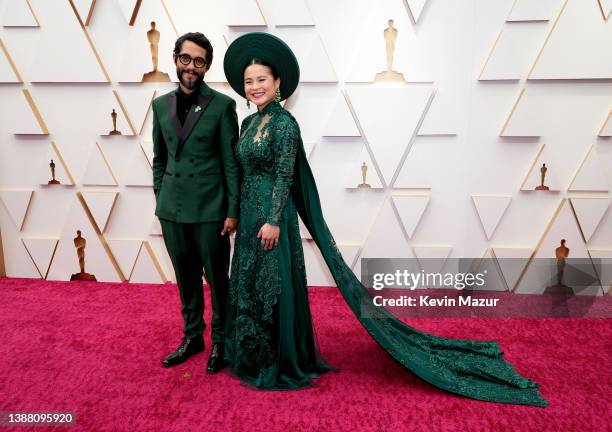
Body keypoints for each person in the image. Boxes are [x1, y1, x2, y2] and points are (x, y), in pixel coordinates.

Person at [222, 32, 547, 406]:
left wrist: (274, 218)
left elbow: (284, 173)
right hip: (248, 217)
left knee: (271, 286)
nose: (255, 86)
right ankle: (252, 354)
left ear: (278, 83)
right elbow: (242, 171)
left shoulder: (285, 124)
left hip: (270, 219)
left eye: (262, 79)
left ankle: (279, 360)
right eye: (249, 82)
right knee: (248, 283)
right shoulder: (248, 125)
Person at [152, 32, 240, 373]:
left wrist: (232, 210)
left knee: (218, 279)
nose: (191, 66)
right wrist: (161, 194)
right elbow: (160, 159)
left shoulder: (222, 105)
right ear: (175, 58)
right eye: (186, 58)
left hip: (210, 210)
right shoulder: (159, 105)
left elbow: (231, 164)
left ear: (207, 66)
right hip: (172, 210)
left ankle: (221, 339)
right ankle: (193, 336)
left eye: (199, 61)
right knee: (185, 277)